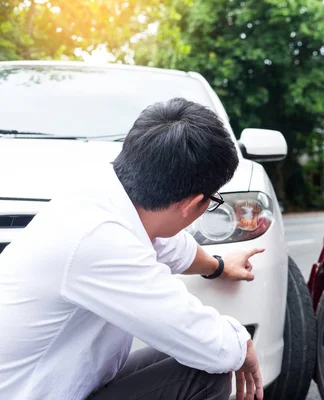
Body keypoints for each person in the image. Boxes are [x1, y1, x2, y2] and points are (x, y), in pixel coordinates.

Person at [0, 98, 264, 400]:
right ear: (192, 204)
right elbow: (199, 337)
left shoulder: (102, 195)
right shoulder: (99, 240)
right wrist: (242, 345)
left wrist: (218, 265)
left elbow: (167, 244)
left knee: (195, 362)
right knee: (206, 375)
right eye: (211, 200)